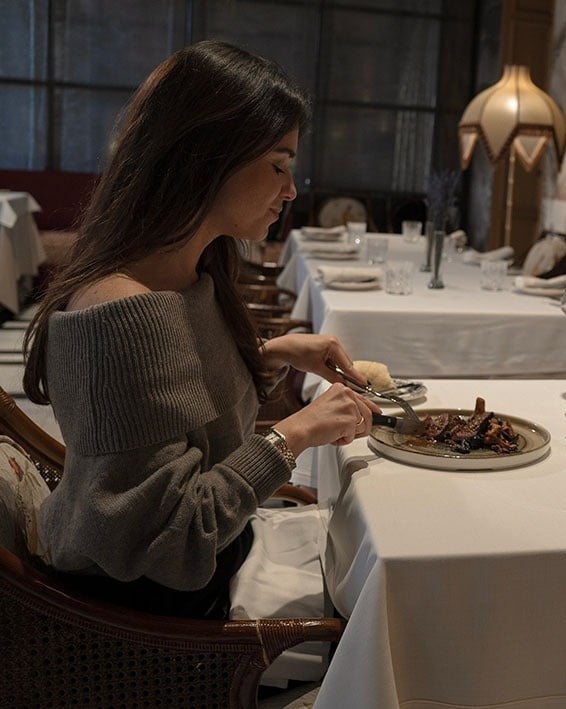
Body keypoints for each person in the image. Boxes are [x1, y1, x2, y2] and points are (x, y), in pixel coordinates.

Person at [21, 40, 380, 619]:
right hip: (148, 617)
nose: (290, 190)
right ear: (207, 155)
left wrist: (269, 356)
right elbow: (179, 538)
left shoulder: (188, 272)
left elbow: (178, 408)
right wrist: (295, 433)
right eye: (278, 164)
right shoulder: (121, 315)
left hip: (215, 561)